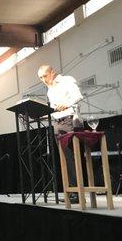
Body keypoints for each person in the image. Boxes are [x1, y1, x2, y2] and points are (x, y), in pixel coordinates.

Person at [38, 65, 84, 202]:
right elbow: (54, 109)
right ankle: (70, 191)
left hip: (70, 120)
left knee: (71, 157)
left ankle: (77, 192)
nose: (43, 80)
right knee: (64, 158)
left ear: (52, 72)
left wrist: (66, 103)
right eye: (40, 78)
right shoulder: (49, 91)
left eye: (45, 76)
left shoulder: (66, 80)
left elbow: (78, 96)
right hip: (57, 123)